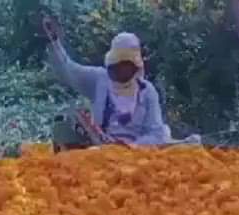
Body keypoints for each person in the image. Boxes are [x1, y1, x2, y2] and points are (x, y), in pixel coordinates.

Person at [41, 18, 173, 150]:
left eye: (126, 65)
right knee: (62, 126)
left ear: (135, 66)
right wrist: (53, 41)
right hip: (99, 148)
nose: (122, 69)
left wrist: (132, 146)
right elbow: (68, 70)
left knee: (186, 140)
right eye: (118, 65)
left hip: (136, 155)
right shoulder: (99, 78)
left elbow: (156, 133)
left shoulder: (147, 91)